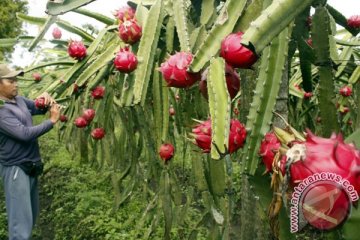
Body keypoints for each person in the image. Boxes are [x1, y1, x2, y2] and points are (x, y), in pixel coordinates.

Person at [0, 64, 61, 240]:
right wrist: (51, 121)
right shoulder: (1, 111)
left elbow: (35, 107)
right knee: (20, 225)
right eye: (10, 81)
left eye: (16, 80)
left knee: (31, 216)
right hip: (15, 169)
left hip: (31, 165)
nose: (16, 84)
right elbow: (24, 134)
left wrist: (44, 99)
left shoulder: (18, 100)